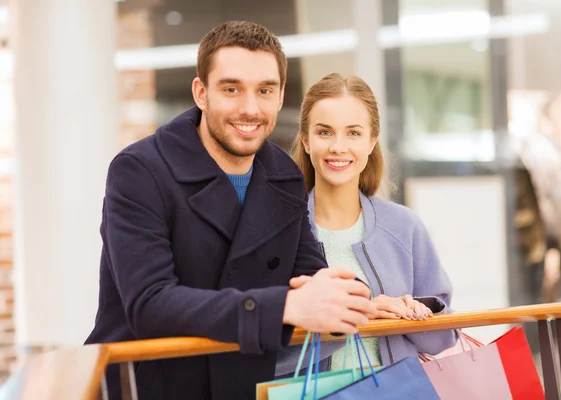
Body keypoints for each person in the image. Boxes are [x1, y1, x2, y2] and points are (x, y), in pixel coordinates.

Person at [85, 22, 377, 400]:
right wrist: (287, 306)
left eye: (265, 91)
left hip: (241, 384)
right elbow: (150, 304)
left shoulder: (283, 175)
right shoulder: (139, 170)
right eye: (231, 89)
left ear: (280, 95)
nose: (250, 108)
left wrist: (353, 296)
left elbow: (307, 274)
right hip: (147, 385)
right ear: (201, 93)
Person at [276, 73, 457, 376]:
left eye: (353, 133)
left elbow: (444, 336)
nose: (338, 146)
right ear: (306, 140)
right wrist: (360, 316)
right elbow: (260, 350)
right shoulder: (275, 230)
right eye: (324, 133)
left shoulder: (404, 226)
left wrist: (411, 313)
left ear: (372, 141)